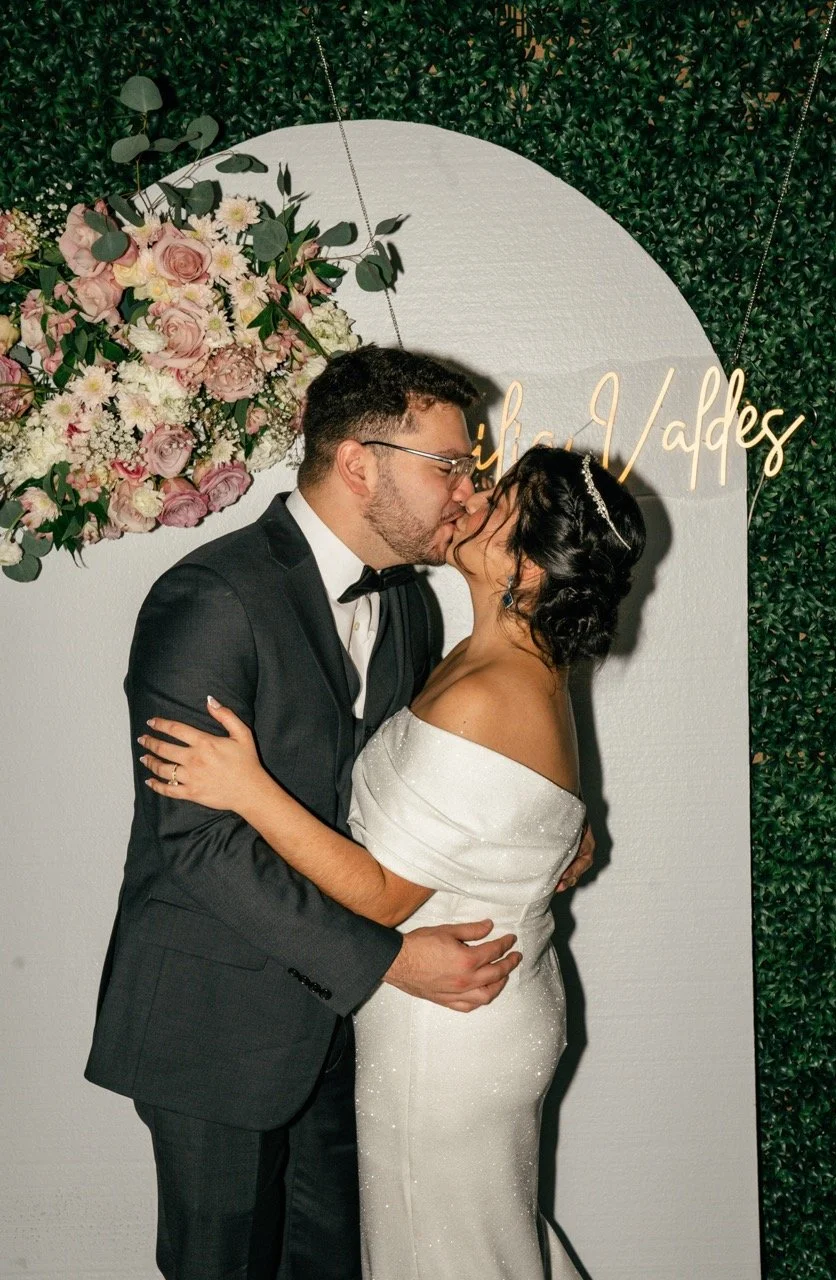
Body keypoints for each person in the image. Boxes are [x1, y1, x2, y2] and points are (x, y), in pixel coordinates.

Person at [86, 346, 594, 1280]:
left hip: (355, 1036)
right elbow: (199, 844)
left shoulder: (411, 609)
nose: (467, 491)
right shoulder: (210, 599)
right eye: (449, 465)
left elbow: (414, 786)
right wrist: (387, 959)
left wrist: (544, 824)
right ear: (360, 463)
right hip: (221, 1021)